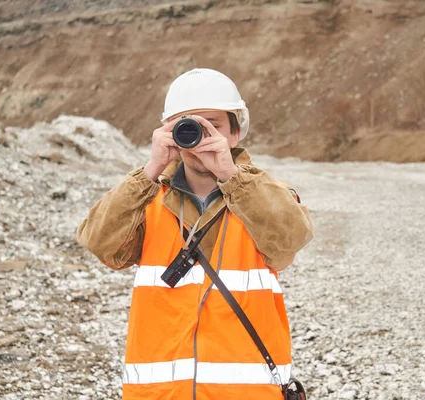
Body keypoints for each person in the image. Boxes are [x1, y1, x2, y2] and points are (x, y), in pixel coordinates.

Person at [77, 68, 314, 400]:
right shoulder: (146, 199)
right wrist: (149, 172)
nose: (201, 137)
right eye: (188, 126)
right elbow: (100, 244)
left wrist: (231, 175)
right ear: (170, 132)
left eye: (213, 126)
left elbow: (290, 240)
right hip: (160, 394)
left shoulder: (266, 197)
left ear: (235, 133)